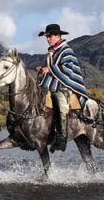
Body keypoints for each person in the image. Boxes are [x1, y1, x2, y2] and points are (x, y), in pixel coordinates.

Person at [36, 23, 89, 152]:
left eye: (49, 36)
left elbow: (68, 70)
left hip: (66, 86)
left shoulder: (66, 50)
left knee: (61, 102)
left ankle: (62, 138)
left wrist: (49, 69)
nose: (47, 39)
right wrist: (43, 70)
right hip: (54, 85)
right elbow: (52, 70)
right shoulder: (52, 52)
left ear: (58, 36)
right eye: (46, 37)